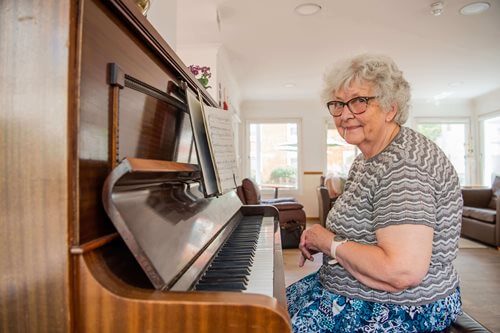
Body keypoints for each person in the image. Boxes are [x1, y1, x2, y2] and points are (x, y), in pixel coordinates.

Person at [287, 54, 463, 332]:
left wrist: (328, 241)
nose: (345, 114)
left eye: (359, 101)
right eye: (338, 104)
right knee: (262, 313)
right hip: (352, 294)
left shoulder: (405, 166)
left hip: (401, 308)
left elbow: (401, 272)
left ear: (390, 109)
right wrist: (325, 240)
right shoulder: (366, 158)